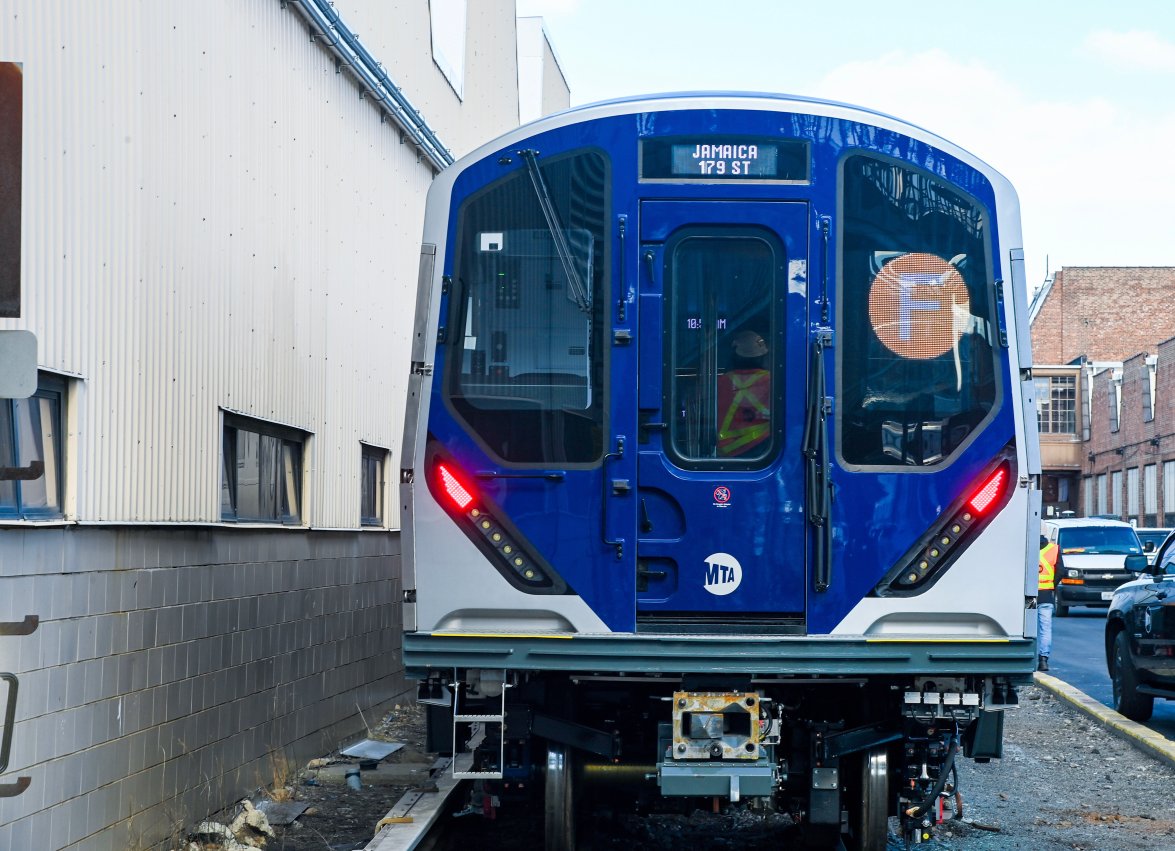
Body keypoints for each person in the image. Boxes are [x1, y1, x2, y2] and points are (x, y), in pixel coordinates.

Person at [717, 330, 771, 457]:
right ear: (762, 357)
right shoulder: (771, 381)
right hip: (764, 449)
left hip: (727, 452)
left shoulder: (722, 381)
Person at [1038, 534, 1059, 672]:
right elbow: (1061, 571)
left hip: (1027, 596)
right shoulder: (1054, 549)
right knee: (1045, 629)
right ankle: (1043, 660)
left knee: (1026, 629)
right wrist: (1052, 585)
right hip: (1046, 595)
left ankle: (1027, 657)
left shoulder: (1025, 545)